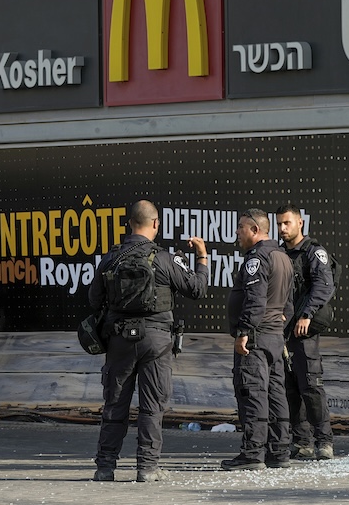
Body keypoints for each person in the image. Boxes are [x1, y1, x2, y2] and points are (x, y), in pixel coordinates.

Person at [89, 200, 209, 483]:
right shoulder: (166, 258)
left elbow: (94, 299)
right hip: (156, 341)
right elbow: (197, 289)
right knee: (152, 406)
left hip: (119, 340)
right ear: (156, 224)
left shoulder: (111, 257)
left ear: (129, 223)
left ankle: (105, 467)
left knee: (115, 404)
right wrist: (202, 258)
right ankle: (147, 468)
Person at [221, 208, 294, 471]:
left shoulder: (258, 258)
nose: (237, 233)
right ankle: (279, 451)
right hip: (274, 337)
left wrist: (244, 332)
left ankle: (253, 454)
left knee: (252, 392)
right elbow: (289, 303)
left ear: (255, 230)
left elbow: (255, 300)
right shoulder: (282, 256)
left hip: (257, 337)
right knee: (276, 394)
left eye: (241, 227)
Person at [275, 205, 337, 461]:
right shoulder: (278, 254)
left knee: (311, 386)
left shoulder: (314, 252)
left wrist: (307, 314)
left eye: (287, 223)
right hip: (282, 331)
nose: (282, 228)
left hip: (304, 330)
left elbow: (324, 286)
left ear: (300, 223)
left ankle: (324, 442)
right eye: (279, 224)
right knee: (290, 388)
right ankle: (302, 443)